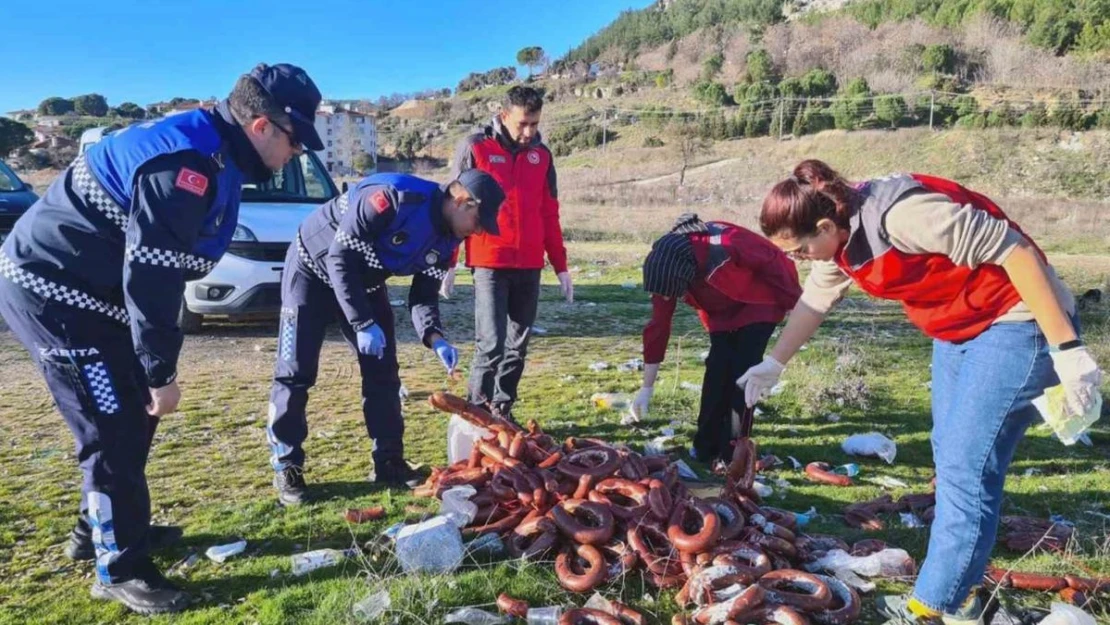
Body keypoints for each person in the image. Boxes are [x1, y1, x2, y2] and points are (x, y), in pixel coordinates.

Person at [0, 63, 323, 614]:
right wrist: (160, 373)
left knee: (132, 417)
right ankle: (119, 566)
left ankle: (97, 530)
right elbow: (153, 277)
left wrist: (151, 375)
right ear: (263, 126)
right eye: (295, 141)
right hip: (54, 297)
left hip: (96, 296)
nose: (296, 154)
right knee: (113, 427)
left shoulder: (214, 149)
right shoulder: (186, 165)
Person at [739, 160, 1103, 624]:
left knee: (966, 469)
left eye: (801, 249)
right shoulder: (841, 245)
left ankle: (934, 605)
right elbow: (815, 300)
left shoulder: (903, 217)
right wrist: (774, 363)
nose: (799, 258)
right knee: (947, 452)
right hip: (957, 329)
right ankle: (961, 589)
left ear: (826, 225)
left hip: (1018, 322)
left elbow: (1017, 252)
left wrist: (1068, 349)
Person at [266, 169, 505, 506]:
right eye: (479, 221)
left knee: (384, 374)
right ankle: (287, 465)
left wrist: (434, 336)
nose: (479, 231)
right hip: (312, 270)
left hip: (366, 284)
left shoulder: (451, 239)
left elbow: (424, 296)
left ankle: (389, 461)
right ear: (463, 201)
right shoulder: (392, 199)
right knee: (296, 371)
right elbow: (340, 258)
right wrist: (362, 322)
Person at [629, 214, 802, 466]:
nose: (666, 299)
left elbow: (776, 261)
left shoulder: (729, 243)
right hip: (720, 312)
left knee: (743, 372)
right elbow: (658, 327)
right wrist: (647, 388)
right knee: (717, 368)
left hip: (758, 304)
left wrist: (795, 304)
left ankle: (734, 451)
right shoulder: (664, 267)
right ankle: (705, 447)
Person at [442, 85, 572, 423]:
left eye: (535, 124)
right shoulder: (475, 148)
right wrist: (449, 261)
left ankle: (502, 409)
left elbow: (549, 213)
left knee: (518, 346)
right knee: (492, 343)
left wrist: (560, 265)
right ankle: (475, 413)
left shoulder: (542, 156)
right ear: (504, 116)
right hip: (489, 262)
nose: (529, 132)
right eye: (522, 124)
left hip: (529, 264)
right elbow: (454, 207)